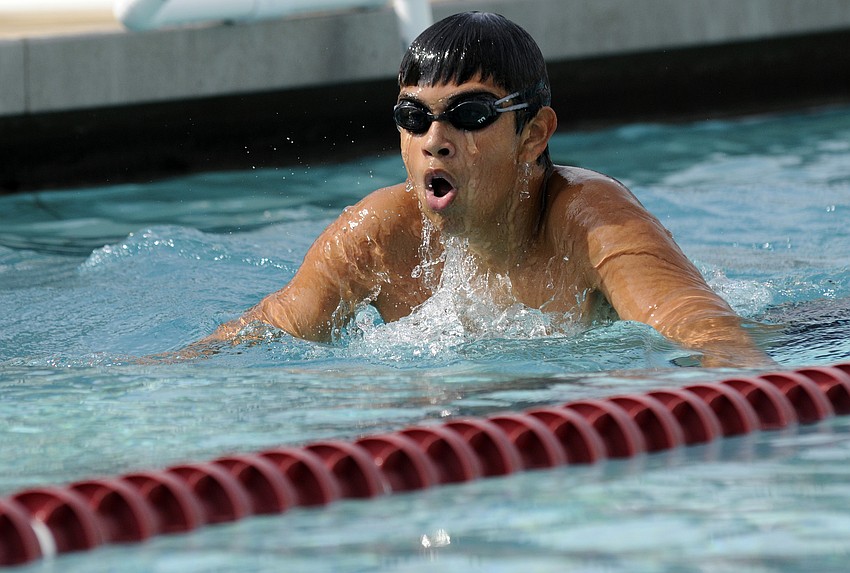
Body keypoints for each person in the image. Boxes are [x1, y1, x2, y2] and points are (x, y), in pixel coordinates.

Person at [194, 11, 772, 367]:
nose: (434, 141)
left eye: (470, 114)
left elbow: (703, 329)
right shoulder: (378, 234)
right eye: (413, 117)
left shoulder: (591, 219)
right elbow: (267, 332)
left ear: (534, 134)